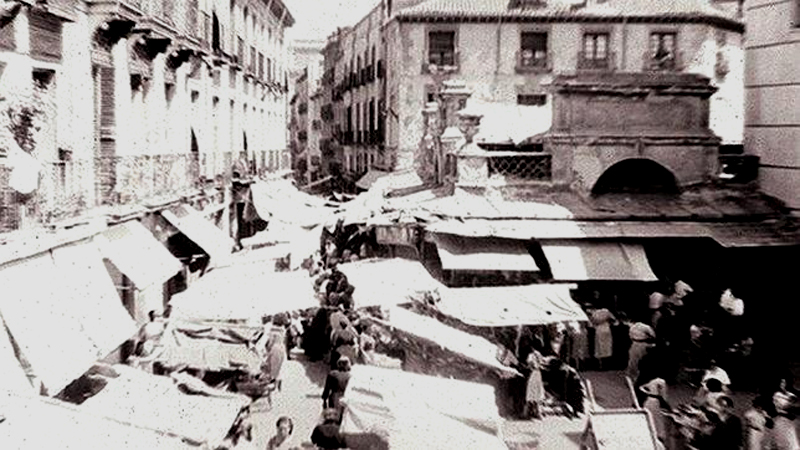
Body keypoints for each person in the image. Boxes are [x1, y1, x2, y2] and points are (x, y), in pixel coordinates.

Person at [640, 378, 671, 444]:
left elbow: (641, 387)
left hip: (648, 400)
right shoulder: (662, 381)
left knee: (648, 416)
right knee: (657, 418)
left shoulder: (652, 380)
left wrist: (647, 392)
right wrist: (666, 404)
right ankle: (658, 434)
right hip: (656, 401)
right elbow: (663, 394)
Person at [588, 304, 617, 370]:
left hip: (599, 330)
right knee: (607, 347)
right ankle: (607, 365)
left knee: (599, 347)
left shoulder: (595, 313)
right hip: (606, 329)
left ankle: (600, 365)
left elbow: (593, 322)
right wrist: (608, 321)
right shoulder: (606, 311)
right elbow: (613, 319)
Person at [524, 349, 545, 420]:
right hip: (536, 374)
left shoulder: (532, 355)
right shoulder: (537, 355)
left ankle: (530, 413)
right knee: (535, 394)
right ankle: (535, 413)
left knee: (532, 393)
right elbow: (542, 364)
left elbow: (530, 364)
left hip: (534, 374)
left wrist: (532, 366)